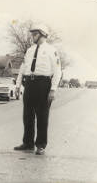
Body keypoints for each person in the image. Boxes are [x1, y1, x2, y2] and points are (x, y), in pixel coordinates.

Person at [14, 24, 62, 155]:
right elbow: (22, 69)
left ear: (42, 35)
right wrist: (18, 85)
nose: (32, 37)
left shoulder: (52, 50)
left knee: (42, 116)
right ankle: (28, 143)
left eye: (35, 34)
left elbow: (58, 71)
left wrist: (53, 89)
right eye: (32, 34)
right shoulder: (29, 50)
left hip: (43, 84)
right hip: (29, 83)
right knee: (27, 115)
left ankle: (40, 145)